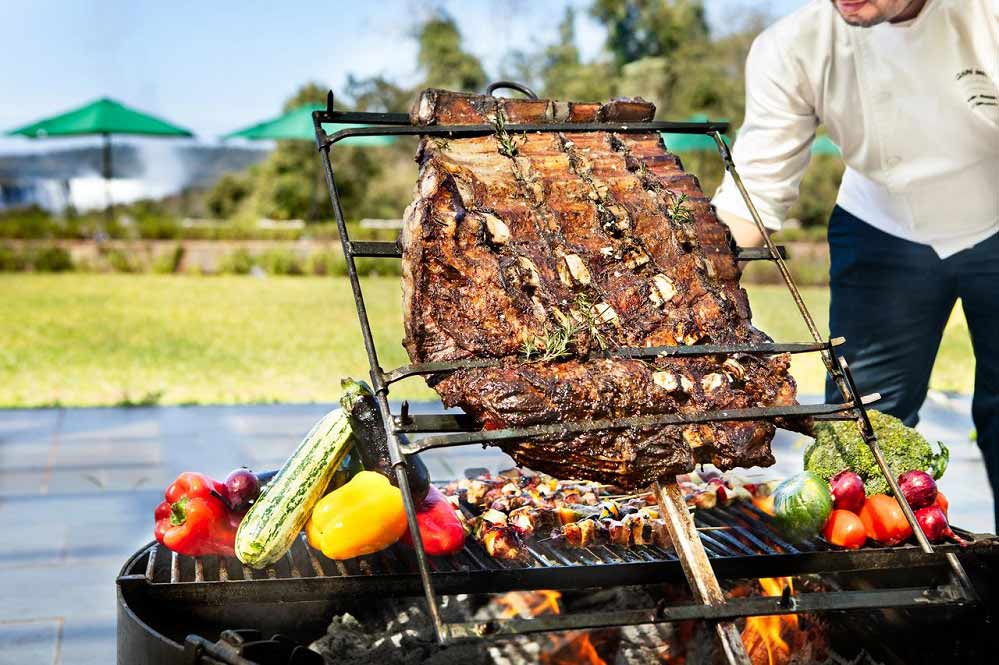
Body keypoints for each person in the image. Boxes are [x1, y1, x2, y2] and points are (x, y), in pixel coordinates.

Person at [712, 0, 999, 528]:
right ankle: (867, 592)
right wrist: (689, 282)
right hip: (882, 230)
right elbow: (755, 190)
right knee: (861, 429)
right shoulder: (795, 46)